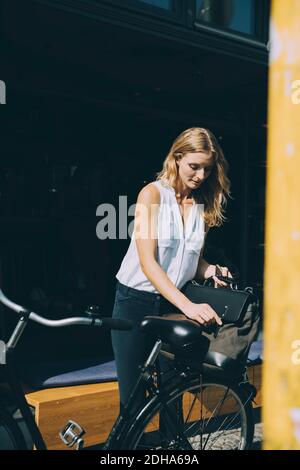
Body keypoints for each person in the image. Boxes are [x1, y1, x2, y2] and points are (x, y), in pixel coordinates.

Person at [111, 127, 232, 412]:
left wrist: (211, 270)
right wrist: (189, 307)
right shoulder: (152, 195)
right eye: (194, 166)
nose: (201, 176)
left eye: (207, 169)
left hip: (173, 304)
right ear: (177, 158)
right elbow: (147, 262)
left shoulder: (202, 202)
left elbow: (192, 260)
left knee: (172, 395)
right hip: (135, 302)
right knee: (132, 401)